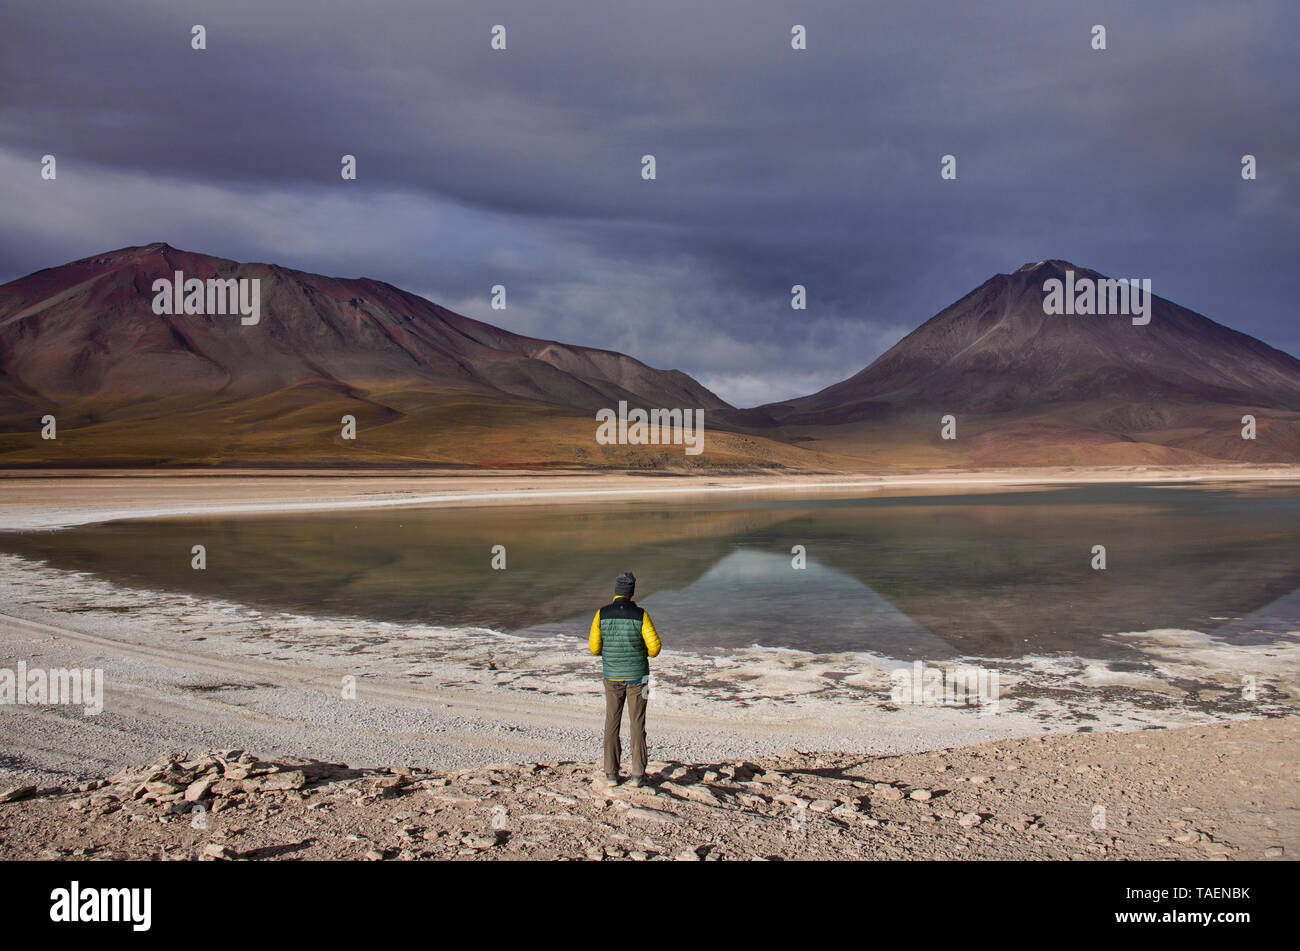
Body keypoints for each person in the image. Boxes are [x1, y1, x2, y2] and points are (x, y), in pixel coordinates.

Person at [588, 571, 661, 787]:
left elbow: (594, 648)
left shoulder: (601, 614)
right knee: (638, 723)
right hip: (640, 677)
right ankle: (638, 774)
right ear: (631, 592)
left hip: (611, 676)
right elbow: (655, 648)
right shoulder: (641, 615)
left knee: (612, 722)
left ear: (616, 591)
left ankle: (611, 773)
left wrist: (610, 653)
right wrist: (640, 652)